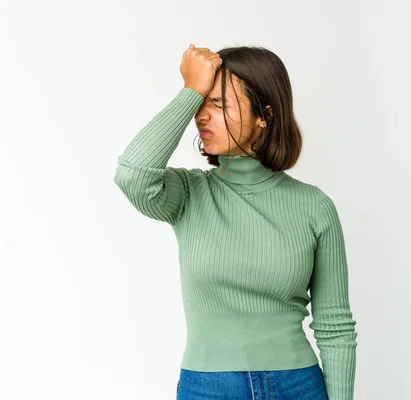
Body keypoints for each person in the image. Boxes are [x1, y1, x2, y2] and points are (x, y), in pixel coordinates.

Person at [114, 44, 358, 400]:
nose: (201, 115)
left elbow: (335, 327)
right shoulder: (187, 194)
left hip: (298, 386)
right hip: (209, 388)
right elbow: (132, 175)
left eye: (218, 104)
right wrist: (190, 91)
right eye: (201, 103)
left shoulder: (314, 206)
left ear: (264, 115)